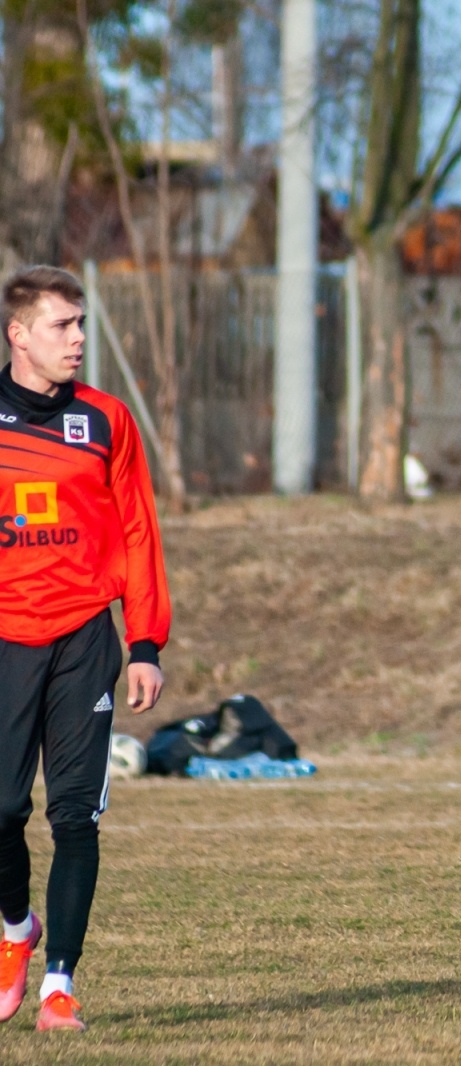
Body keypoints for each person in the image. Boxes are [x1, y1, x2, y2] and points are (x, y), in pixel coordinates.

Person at [0, 266, 170, 1032]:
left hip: (82, 640)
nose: (77, 339)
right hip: (6, 639)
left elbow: (138, 530)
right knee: (3, 809)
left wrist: (145, 641)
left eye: (80, 325)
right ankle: (16, 931)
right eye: (62, 325)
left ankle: (58, 987)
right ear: (19, 334)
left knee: (74, 817)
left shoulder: (106, 420)